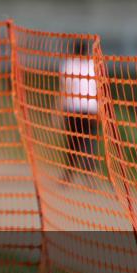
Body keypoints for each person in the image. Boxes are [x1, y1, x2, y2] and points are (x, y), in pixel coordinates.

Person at [59, 39, 99, 182]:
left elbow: (64, 89)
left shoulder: (69, 65)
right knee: (89, 143)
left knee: (73, 143)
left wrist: (58, 109)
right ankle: (90, 177)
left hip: (73, 108)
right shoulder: (93, 65)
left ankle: (68, 174)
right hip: (91, 109)